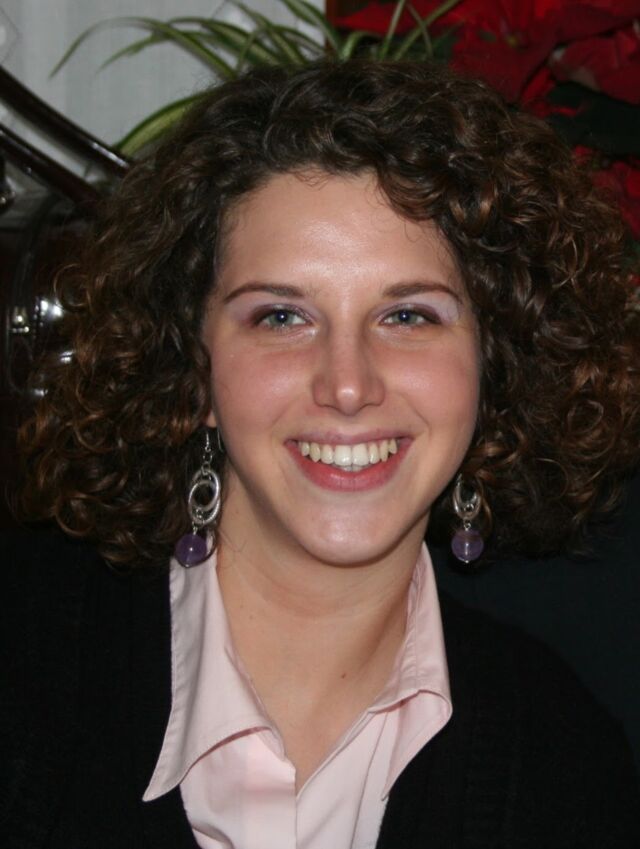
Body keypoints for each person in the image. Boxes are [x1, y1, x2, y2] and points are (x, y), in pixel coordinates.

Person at [3, 60, 640, 849]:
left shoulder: (567, 768)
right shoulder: (22, 653)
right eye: (281, 317)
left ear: (494, 361)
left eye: (408, 315)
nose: (347, 385)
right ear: (193, 366)